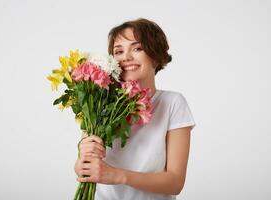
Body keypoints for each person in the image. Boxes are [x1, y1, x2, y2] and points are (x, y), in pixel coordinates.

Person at [74, 18, 196, 200]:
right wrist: (83, 158)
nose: (126, 57)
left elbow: (175, 182)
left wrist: (117, 175)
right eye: (119, 51)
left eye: (137, 48)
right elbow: (82, 169)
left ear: (155, 56)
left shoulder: (172, 103)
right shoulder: (99, 100)